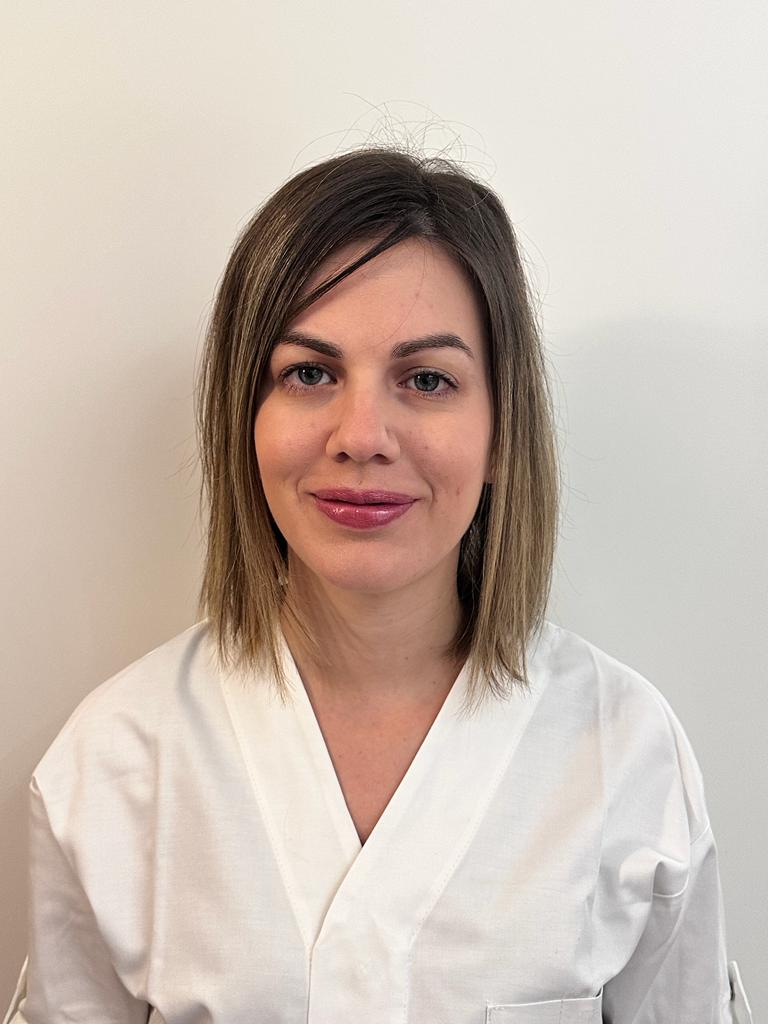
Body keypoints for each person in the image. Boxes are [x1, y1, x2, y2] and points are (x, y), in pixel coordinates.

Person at [3, 147, 754, 1024]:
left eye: (427, 379)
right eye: (309, 373)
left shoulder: (626, 756)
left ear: (502, 433)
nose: (361, 435)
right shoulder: (113, 768)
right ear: (244, 419)